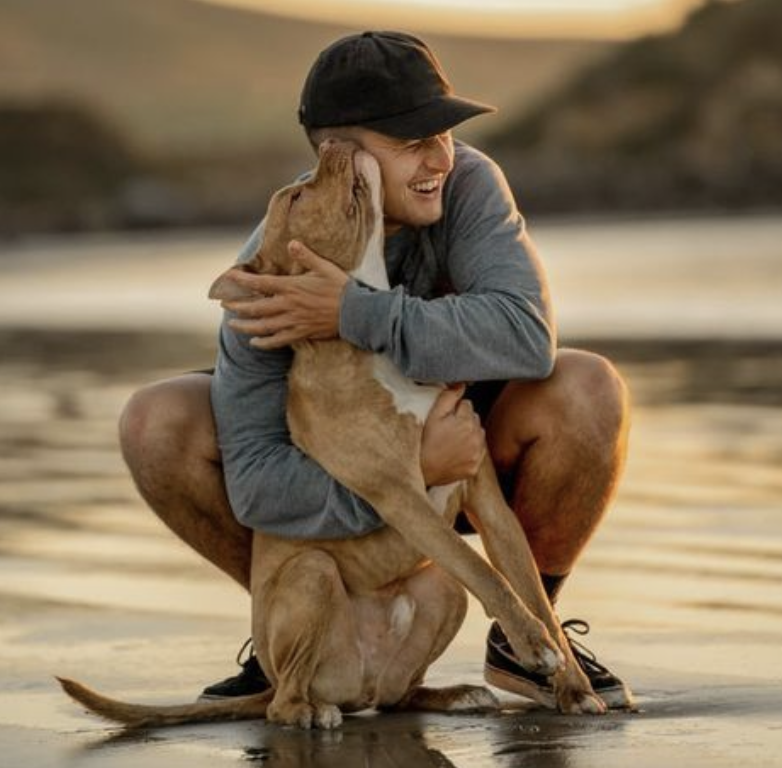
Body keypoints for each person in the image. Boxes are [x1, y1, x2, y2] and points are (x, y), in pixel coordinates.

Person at [119, 31, 633, 709]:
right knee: (157, 421)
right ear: (340, 156)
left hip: (467, 426)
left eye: (443, 132)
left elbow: (527, 336)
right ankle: (296, 636)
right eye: (411, 141)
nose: (440, 157)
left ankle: (532, 641)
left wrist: (352, 313)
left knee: (588, 388)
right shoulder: (272, 262)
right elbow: (258, 486)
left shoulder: (467, 181)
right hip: (348, 460)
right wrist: (413, 470)